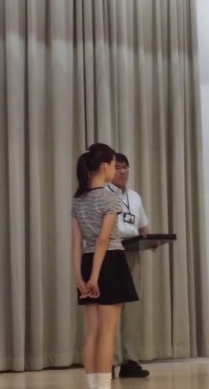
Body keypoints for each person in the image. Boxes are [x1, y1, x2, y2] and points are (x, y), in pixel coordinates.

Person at [71, 143, 139, 389]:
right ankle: (103, 386)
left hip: (88, 261)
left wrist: (81, 278)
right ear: (104, 167)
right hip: (110, 262)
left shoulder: (78, 200)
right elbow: (103, 239)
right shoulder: (110, 198)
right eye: (113, 164)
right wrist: (95, 278)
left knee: (92, 331)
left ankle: (93, 386)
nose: (115, 169)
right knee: (108, 332)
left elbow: (77, 243)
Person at [106, 153, 151, 378]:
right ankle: (108, 361)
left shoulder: (134, 196)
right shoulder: (103, 194)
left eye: (126, 167)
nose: (123, 171)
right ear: (109, 170)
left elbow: (142, 227)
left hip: (133, 253)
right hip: (111, 252)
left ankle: (130, 361)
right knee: (112, 309)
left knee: (132, 309)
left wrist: (152, 241)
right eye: (118, 167)